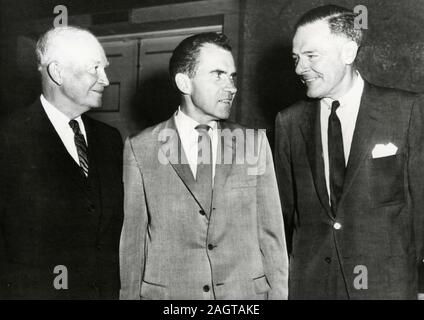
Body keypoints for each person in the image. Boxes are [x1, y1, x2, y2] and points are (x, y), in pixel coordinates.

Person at [119, 32, 288, 300]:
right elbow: (133, 243)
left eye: (232, 76)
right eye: (218, 74)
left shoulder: (254, 143)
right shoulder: (140, 147)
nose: (231, 86)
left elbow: (272, 237)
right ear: (184, 82)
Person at [275, 4, 424, 299]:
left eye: (310, 56)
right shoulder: (288, 122)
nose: (299, 68)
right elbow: (284, 215)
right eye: (296, 58)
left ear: (348, 52)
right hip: (312, 286)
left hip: (386, 286)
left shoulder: (406, 110)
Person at [0, 26, 124, 299]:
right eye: (95, 68)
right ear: (57, 72)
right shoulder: (8, 139)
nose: (105, 79)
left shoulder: (110, 140)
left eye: (104, 68)